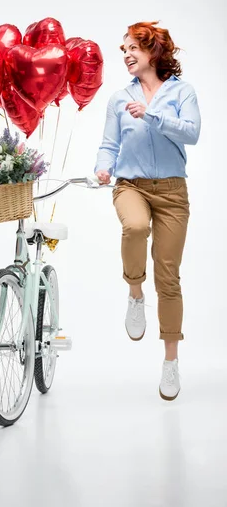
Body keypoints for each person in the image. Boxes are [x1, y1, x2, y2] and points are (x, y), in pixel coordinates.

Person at [95, 21, 201, 401]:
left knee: (169, 278)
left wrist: (153, 115)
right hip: (130, 186)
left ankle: (170, 361)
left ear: (153, 51)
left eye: (132, 48)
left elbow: (191, 132)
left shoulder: (182, 92)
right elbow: (109, 144)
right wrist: (102, 167)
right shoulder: (118, 98)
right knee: (135, 228)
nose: (125, 54)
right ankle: (135, 293)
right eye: (122, 49)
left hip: (173, 192)